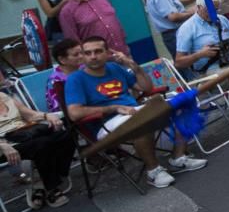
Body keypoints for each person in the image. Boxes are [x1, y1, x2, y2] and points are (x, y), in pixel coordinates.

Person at [65, 37, 207, 188]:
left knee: (180, 106)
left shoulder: (115, 68)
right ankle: (153, 171)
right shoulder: (76, 79)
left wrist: (132, 65)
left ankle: (179, 157)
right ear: (83, 56)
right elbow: (74, 113)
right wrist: (113, 108)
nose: (93, 56)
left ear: (108, 53)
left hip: (133, 112)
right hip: (105, 123)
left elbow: (146, 88)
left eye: (98, 51)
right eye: (88, 53)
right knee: (141, 121)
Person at [175, 0, 229, 132]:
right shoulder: (187, 28)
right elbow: (178, 62)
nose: (214, 12)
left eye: (217, 9)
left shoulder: (221, 19)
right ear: (199, 7)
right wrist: (200, 54)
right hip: (209, 72)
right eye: (210, 10)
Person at [0, 84, 74, 208]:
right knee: (42, 143)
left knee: (67, 134)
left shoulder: (3, 96)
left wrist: (47, 116)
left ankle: (42, 182)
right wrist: (2, 145)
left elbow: (30, 115)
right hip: (6, 146)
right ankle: (51, 188)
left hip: (25, 135)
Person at [58, 0, 130, 55]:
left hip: (123, 51)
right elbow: (73, 41)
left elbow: (115, 20)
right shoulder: (66, 12)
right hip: (99, 59)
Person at [44, 38, 83, 113]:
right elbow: (60, 110)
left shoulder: (85, 68)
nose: (81, 56)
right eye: (76, 55)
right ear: (62, 60)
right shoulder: (55, 81)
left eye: (82, 53)